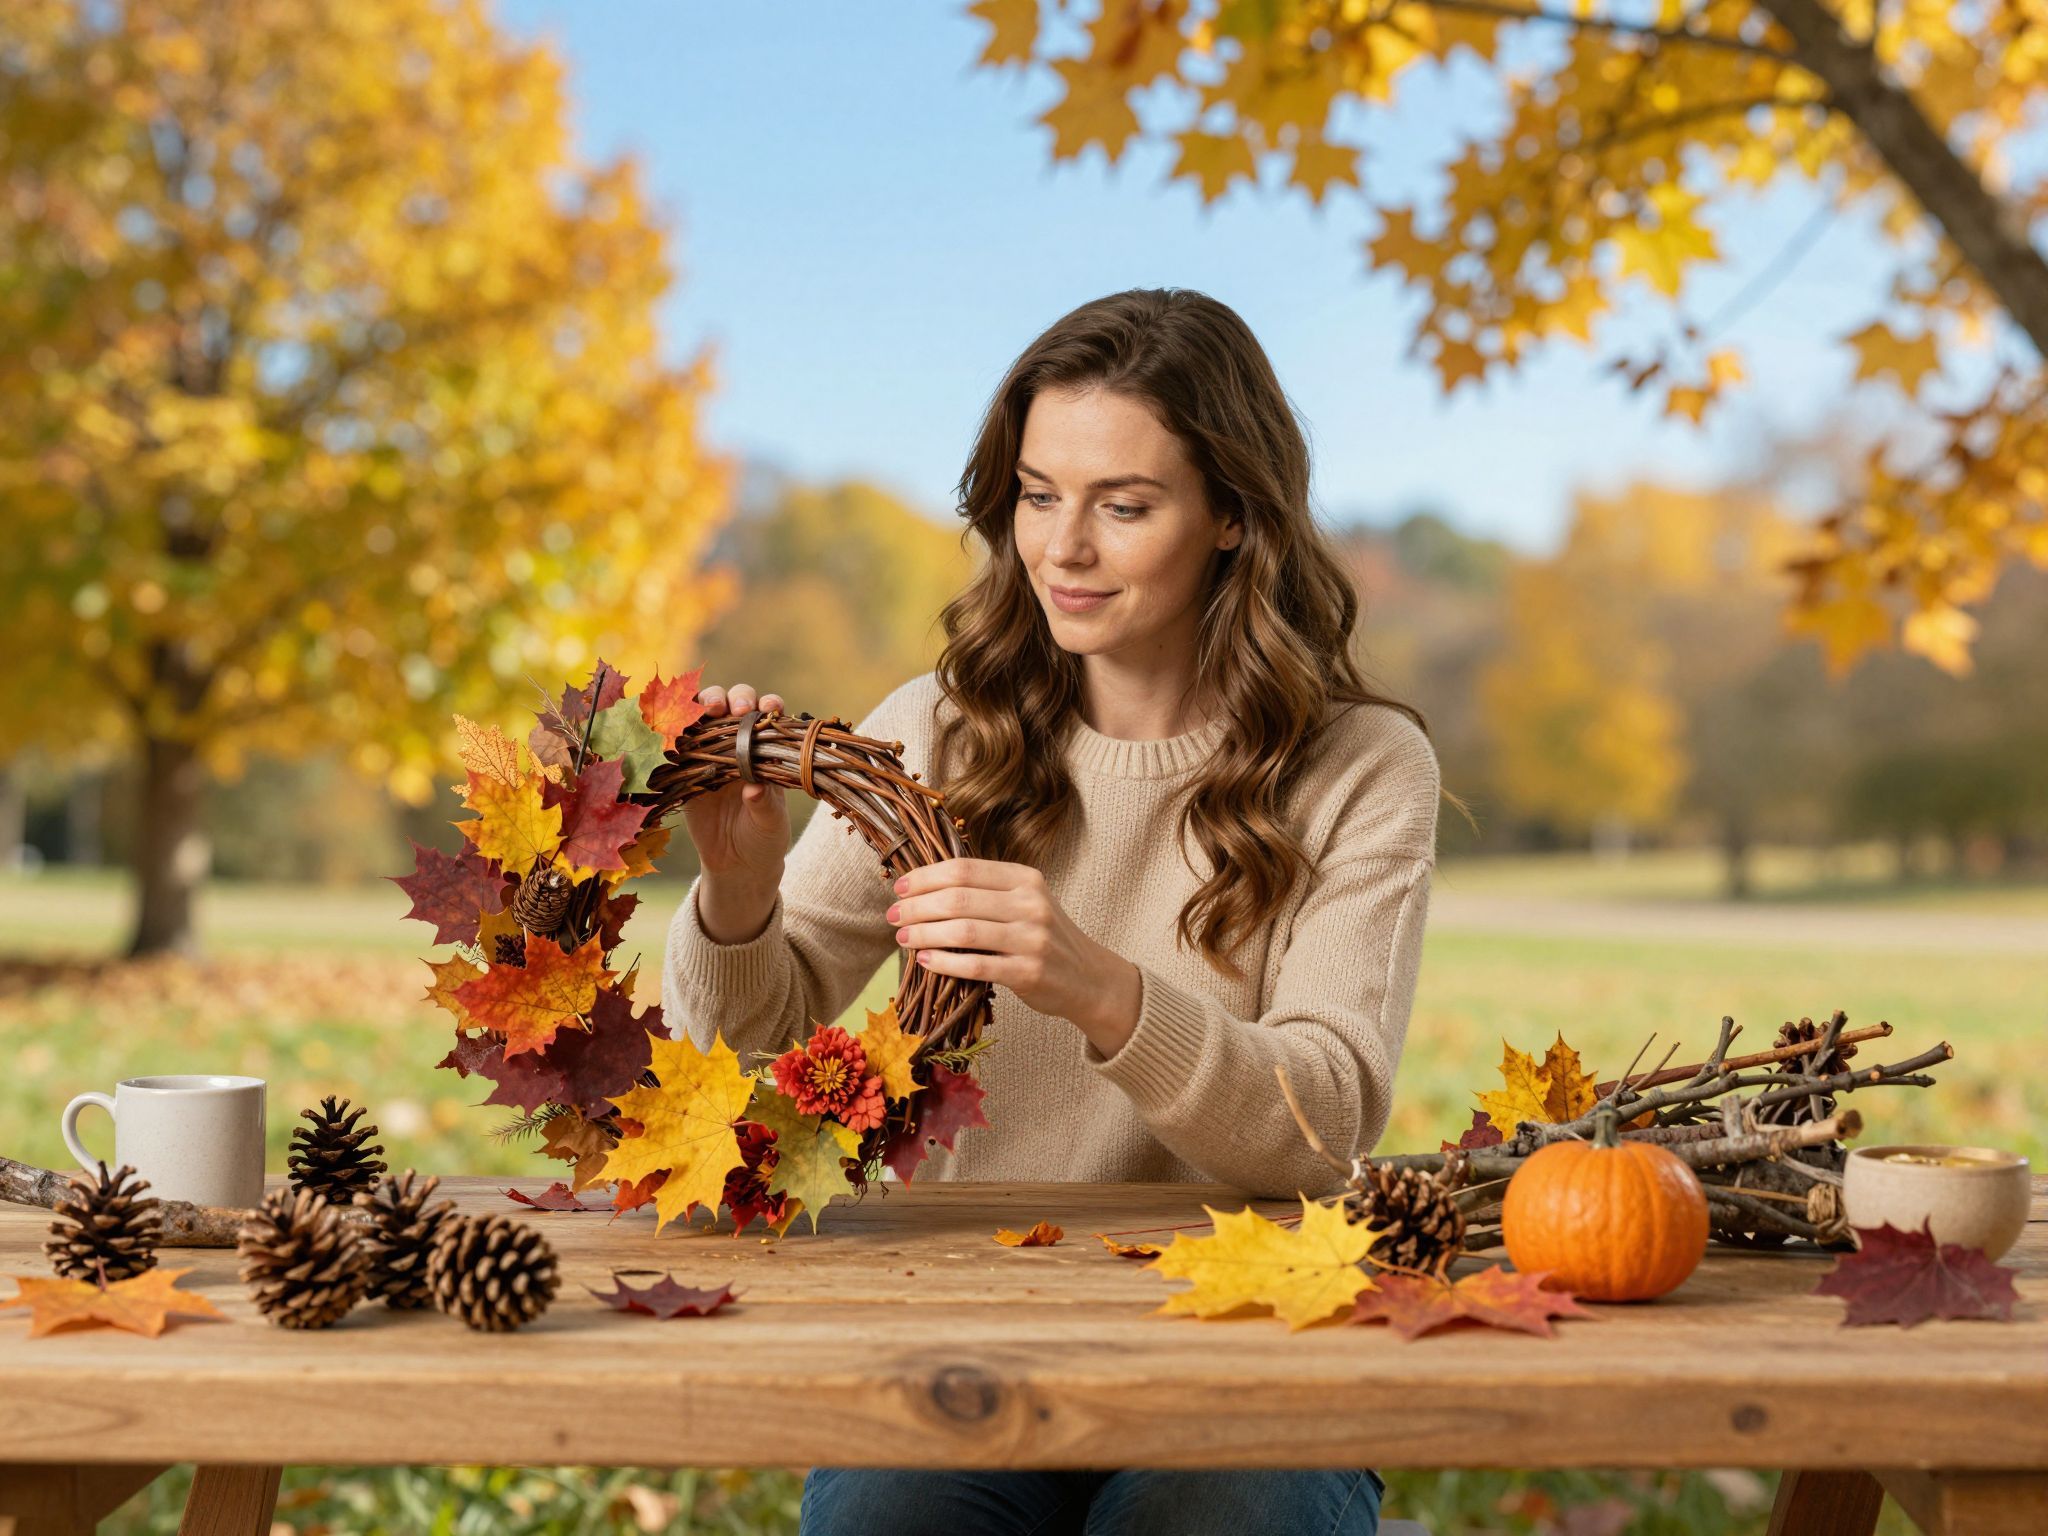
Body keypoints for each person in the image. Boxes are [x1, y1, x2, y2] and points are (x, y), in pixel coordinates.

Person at [663, 287, 1443, 1536]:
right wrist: (739, 896)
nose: (1062, 548)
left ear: (1233, 516)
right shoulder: (929, 728)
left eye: (1122, 507)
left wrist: (1097, 988)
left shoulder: (1357, 767)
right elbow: (744, 1045)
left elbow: (1323, 1121)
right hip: (965, 1325)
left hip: (1238, 1338)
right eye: (1037, 495)